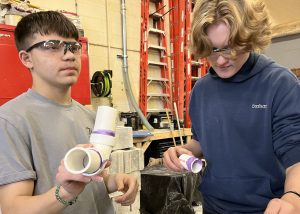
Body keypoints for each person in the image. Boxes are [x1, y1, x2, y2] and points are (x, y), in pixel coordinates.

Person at [163, 0, 300, 213]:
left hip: (266, 209)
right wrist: (182, 151)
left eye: (229, 48)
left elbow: (296, 158)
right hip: (213, 207)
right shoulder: (201, 90)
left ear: (248, 39)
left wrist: (293, 199)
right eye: (212, 50)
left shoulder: (280, 84)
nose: (220, 61)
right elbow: (201, 142)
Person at [0, 11, 138, 214]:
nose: (69, 55)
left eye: (73, 47)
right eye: (52, 46)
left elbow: (93, 180)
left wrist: (115, 180)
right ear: (26, 58)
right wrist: (64, 193)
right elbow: (14, 208)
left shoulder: (89, 116)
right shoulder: (11, 120)